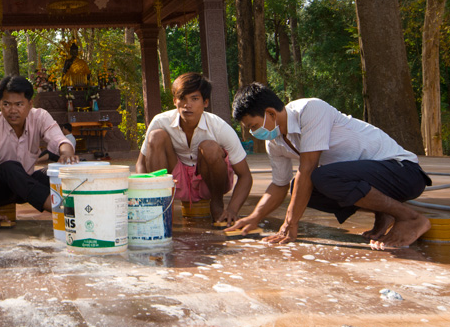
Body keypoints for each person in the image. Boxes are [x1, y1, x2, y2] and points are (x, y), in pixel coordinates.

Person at [230, 83, 432, 249]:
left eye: (254, 126)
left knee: (320, 177)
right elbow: (279, 185)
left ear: (270, 113)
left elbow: (307, 168)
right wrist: (254, 217)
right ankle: (384, 212)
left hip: (404, 173)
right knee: (300, 188)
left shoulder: (310, 110)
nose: (252, 133)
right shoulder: (274, 142)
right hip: (376, 178)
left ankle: (410, 218)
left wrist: (290, 224)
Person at [0, 76, 79, 227]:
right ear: (0, 104)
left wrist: (66, 153)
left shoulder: (39, 117)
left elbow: (58, 139)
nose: (12, 110)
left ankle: (88, 207)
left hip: (24, 184)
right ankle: (65, 212)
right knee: (11, 168)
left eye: (19, 104)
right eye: (6, 104)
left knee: (56, 171)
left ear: (29, 104)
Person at [136, 73, 253, 225]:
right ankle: (159, 207)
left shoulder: (219, 127)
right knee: (156, 136)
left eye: (194, 99)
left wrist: (232, 210)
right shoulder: (160, 121)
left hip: (209, 181)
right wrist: (145, 194)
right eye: (182, 98)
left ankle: (216, 205)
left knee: (209, 146)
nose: (187, 104)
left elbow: (245, 176)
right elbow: (141, 163)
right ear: (174, 101)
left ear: (205, 102)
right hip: (174, 179)